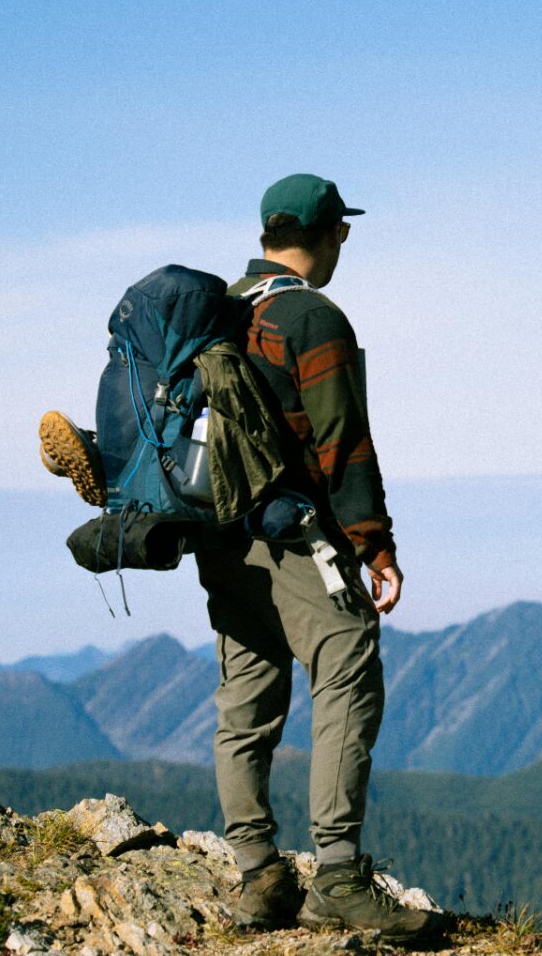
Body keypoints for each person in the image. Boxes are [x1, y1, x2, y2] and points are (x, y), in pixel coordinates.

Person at [198, 173, 436, 939]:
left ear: (267, 235)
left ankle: (259, 874)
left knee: (247, 698)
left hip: (218, 536)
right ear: (331, 232)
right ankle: (336, 876)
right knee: (348, 666)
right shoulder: (310, 317)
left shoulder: (217, 311)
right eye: (343, 232)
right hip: (292, 536)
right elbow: (342, 442)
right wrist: (375, 544)